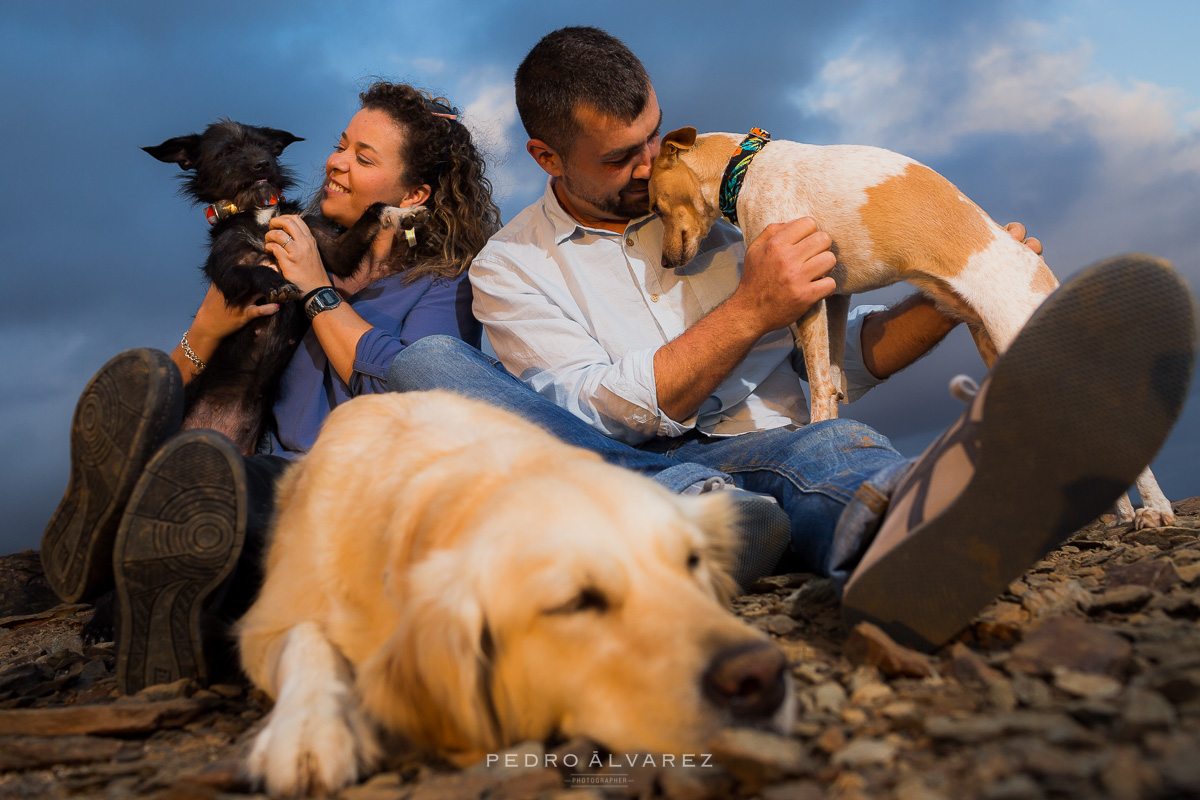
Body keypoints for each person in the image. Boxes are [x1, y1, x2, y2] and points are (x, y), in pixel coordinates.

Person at [386, 27, 1197, 650]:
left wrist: (951, 297)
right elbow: (587, 415)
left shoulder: (732, 207)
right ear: (545, 155)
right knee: (425, 364)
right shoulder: (510, 265)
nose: (653, 165)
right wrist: (748, 308)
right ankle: (699, 515)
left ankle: (911, 530)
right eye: (621, 157)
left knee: (829, 442)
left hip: (764, 453)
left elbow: (842, 363)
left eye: (658, 138)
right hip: (621, 467)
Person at [40, 82, 501, 692]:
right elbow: (182, 397)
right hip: (254, 468)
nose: (335, 162)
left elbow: (421, 400)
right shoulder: (290, 241)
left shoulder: (440, 284)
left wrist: (317, 291)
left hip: (341, 492)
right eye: (341, 145)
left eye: (364, 158)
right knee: (199, 464)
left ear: (413, 195)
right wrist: (202, 334)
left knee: (224, 489)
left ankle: (160, 599)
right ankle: (128, 567)